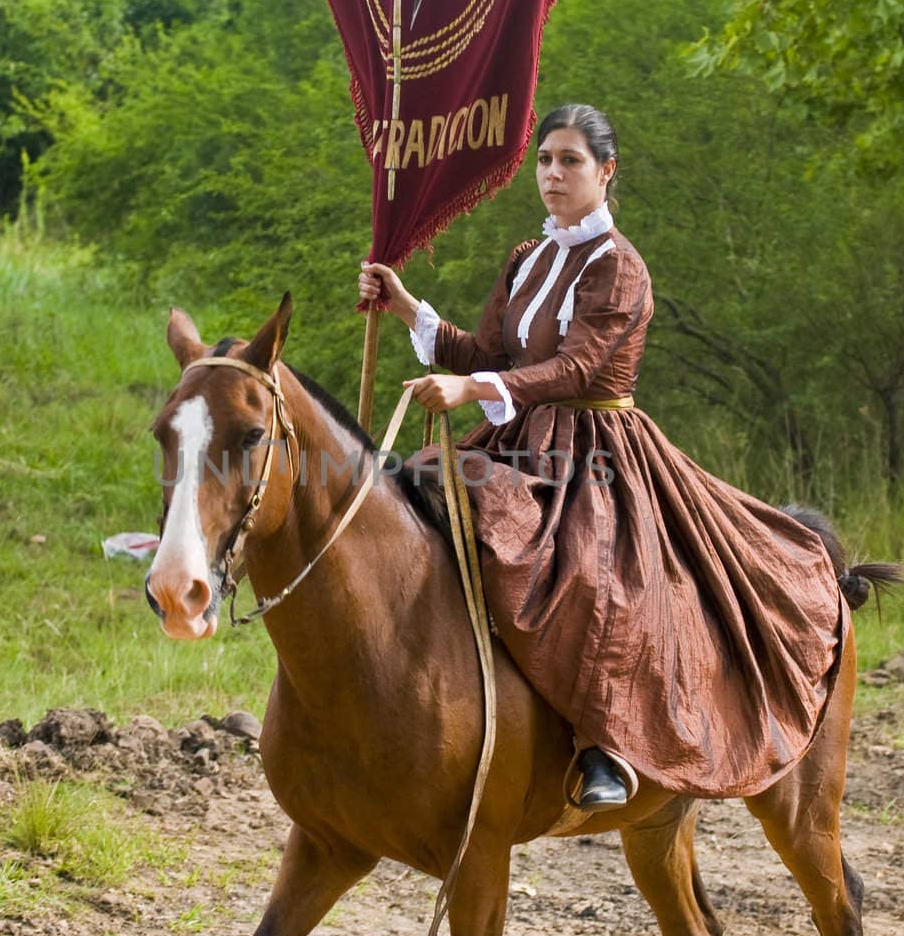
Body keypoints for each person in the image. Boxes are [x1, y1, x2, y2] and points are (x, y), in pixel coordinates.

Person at [357, 103, 844, 810]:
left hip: (596, 449)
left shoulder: (619, 267)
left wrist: (472, 387)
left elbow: (577, 370)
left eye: (571, 161)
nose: (553, 174)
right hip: (516, 438)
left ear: (606, 172)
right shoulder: (528, 257)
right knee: (414, 503)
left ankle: (602, 745)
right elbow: (493, 356)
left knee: (590, 566)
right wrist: (409, 311)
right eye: (545, 160)